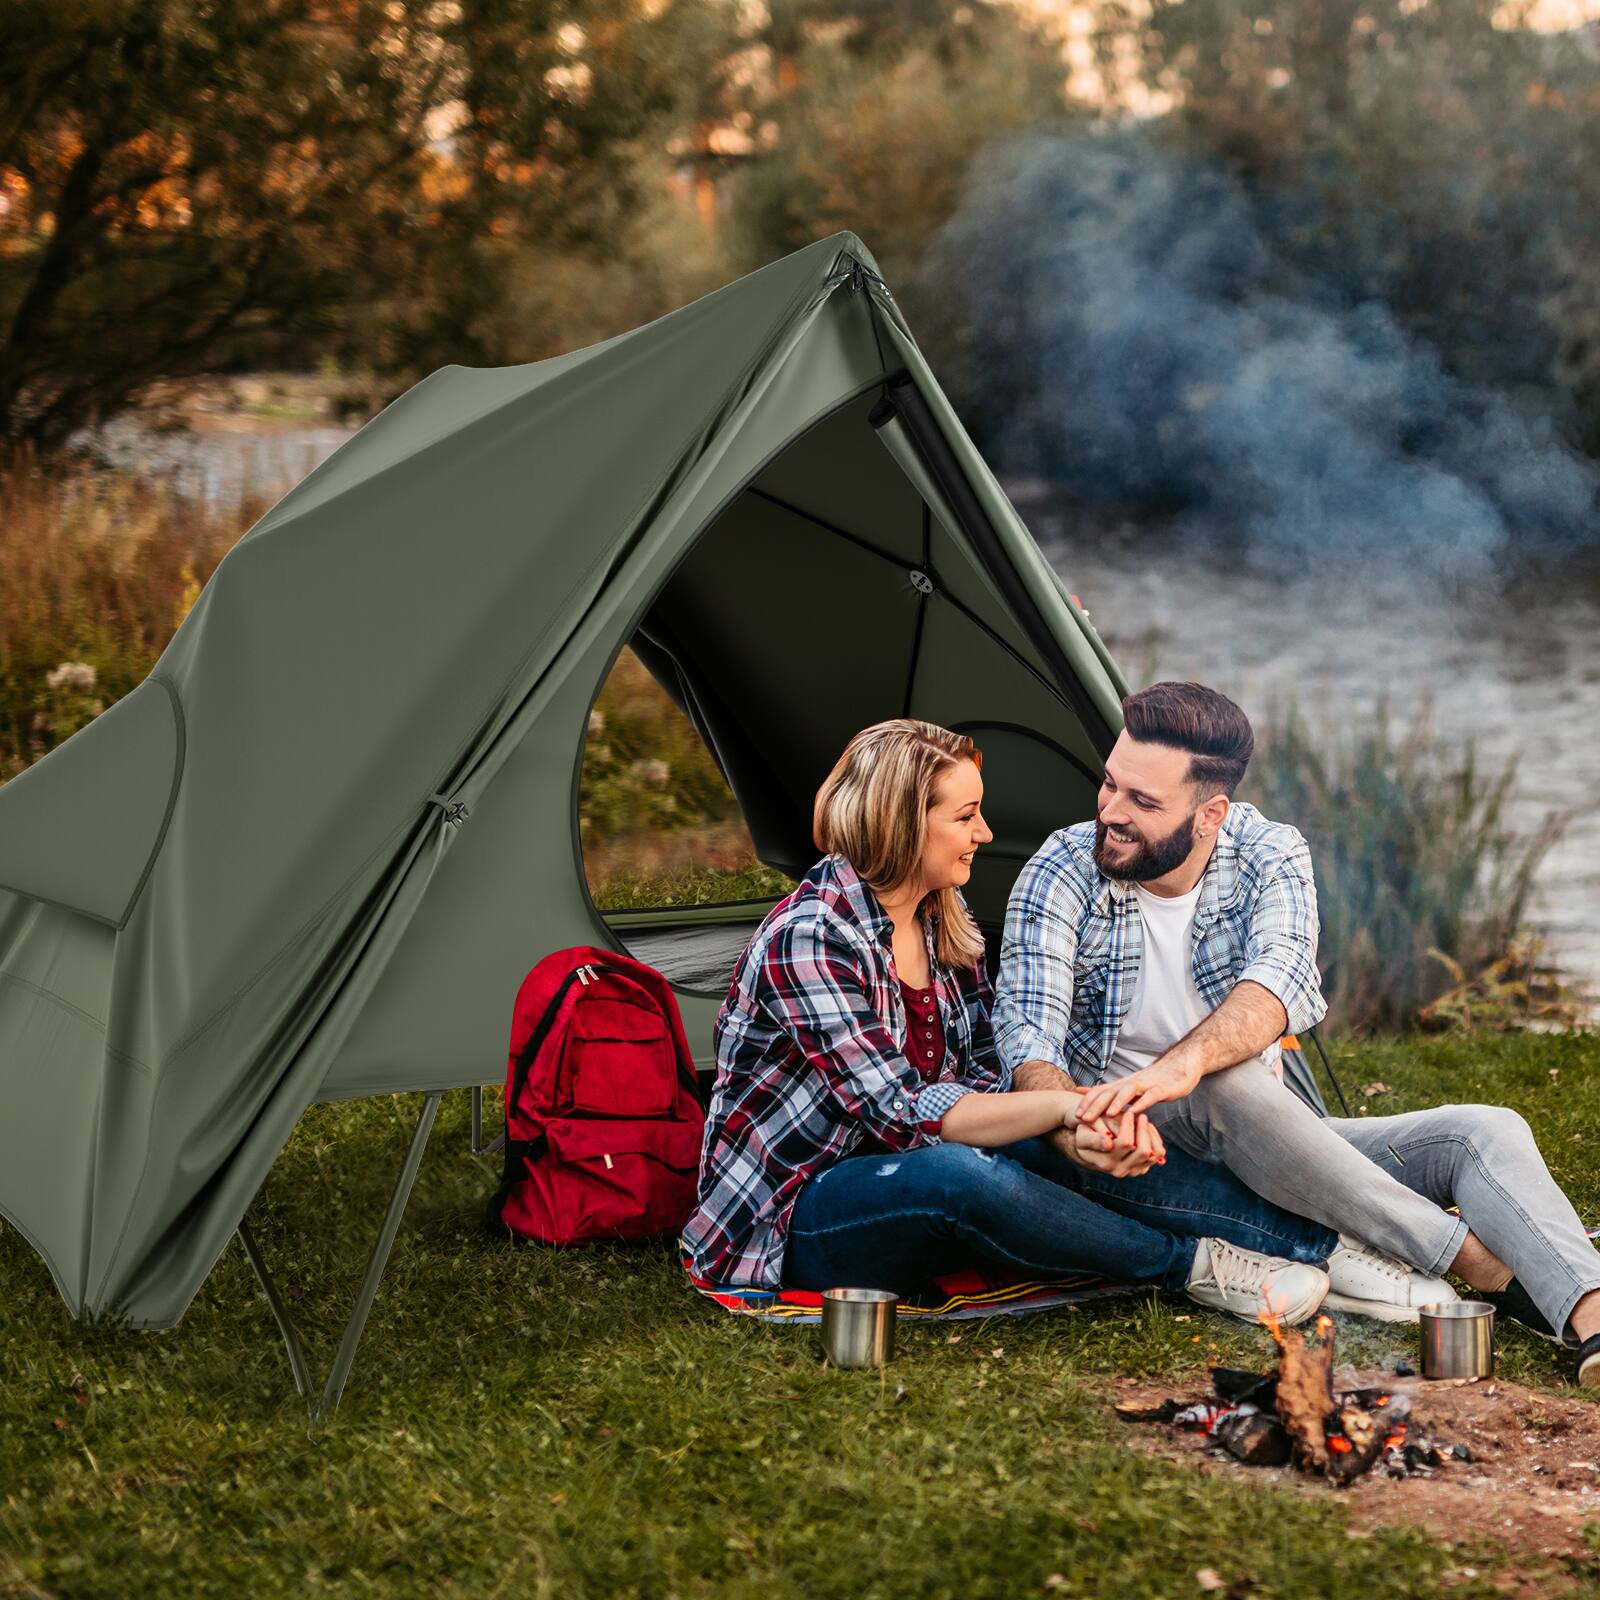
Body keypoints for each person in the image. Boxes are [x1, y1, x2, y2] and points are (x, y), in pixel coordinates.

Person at [993, 680, 1600, 1386]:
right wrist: (1074, 1122)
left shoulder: (1269, 853)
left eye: (1144, 802)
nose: (1111, 813)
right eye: (1110, 785)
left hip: (1271, 1138)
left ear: (1210, 813)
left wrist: (1181, 1064)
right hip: (1137, 1152)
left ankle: (1592, 1318)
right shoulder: (1063, 868)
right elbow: (1029, 1038)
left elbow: (1277, 986)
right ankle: (1477, 1262)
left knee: (1484, 1131)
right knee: (1225, 1082)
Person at [680, 718, 1339, 1324]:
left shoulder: (942, 916)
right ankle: (1191, 1268)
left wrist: (1076, 1128)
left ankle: (1314, 1244)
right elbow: (898, 1113)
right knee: (962, 1174)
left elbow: (983, 1073)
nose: (985, 833)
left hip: (919, 1160)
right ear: (901, 824)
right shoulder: (811, 938)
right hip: (793, 1217)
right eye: (966, 816)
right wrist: (1065, 1109)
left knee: (1050, 1143)